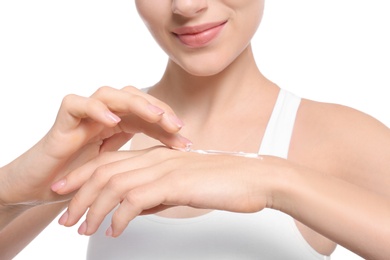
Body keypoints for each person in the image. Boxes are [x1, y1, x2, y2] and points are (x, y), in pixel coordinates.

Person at [1, 0, 389, 259]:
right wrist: (11, 192)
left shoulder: (342, 139)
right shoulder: (101, 133)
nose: (186, 5)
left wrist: (272, 180)